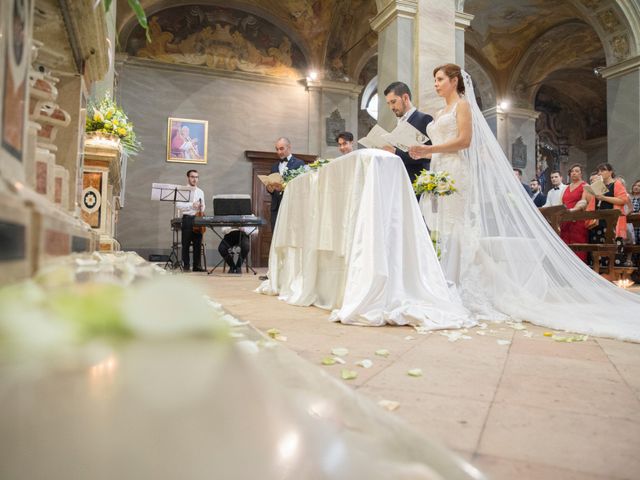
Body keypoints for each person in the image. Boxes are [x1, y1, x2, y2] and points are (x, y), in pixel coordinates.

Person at [408, 63, 640, 341]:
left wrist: (428, 148)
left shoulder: (462, 106)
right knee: (443, 229)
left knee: (457, 228)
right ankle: (446, 282)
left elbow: (465, 140)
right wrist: (422, 150)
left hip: (456, 172)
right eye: (434, 79)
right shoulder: (439, 112)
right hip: (439, 169)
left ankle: (459, 285)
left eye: (439, 79)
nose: (435, 84)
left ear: (454, 80)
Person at [382, 82, 433, 183]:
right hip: (399, 180)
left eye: (393, 102)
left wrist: (395, 152)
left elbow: (429, 156)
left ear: (405, 98)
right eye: (389, 103)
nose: (391, 107)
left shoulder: (423, 119)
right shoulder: (397, 124)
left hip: (418, 181)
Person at [588, 163, 629, 268]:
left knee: (613, 247)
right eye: (599, 171)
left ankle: (615, 272)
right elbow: (594, 203)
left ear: (611, 172)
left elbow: (623, 200)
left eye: (603, 170)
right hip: (599, 220)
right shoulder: (599, 185)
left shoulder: (617, 184)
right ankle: (600, 271)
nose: (600, 173)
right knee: (599, 247)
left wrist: (604, 198)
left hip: (613, 221)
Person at [267, 137, 305, 231]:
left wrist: (284, 188)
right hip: (276, 209)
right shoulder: (274, 166)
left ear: (289, 147)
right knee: (275, 237)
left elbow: (301, 187)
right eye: (277, 149)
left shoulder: (299, 163)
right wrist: (269, 189)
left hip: (292, 208)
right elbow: (271, 186)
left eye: (281, 148)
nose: (279, 152)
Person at [176, 169, 206, 272]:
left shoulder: (200, 191)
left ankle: (197, 266)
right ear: (188, 178)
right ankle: (186, 266)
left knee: (198, 244)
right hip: (188, 219)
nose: (195, 179)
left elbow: (204, 206)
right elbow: (178, 205)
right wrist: (192, 205)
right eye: (192, 177)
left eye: (196, 177)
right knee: (186, 244)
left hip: (198, 219)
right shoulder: (182, 190)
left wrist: (201, 207)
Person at [560, 163, 590, 263]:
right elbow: (562, 202)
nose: (574, 173)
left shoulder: (585, 186)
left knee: (578, 244)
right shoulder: (566, 187)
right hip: (565, 220)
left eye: (577, 171)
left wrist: (573, 210)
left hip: (578, 219)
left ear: (581, 173)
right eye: (572, 171)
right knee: (564, 245)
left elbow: (584, 202)